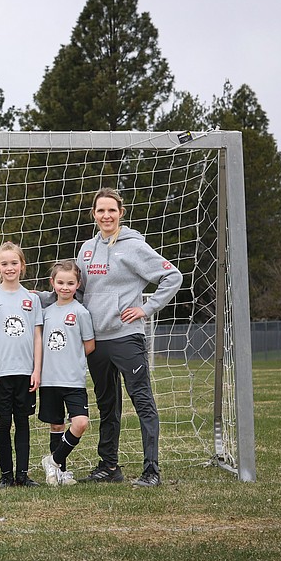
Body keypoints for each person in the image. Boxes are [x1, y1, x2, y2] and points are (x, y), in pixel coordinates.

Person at [77, 187, 183, 487]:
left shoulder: (134, 247)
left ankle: (151, 470)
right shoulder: (86, 250)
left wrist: (146, 308)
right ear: (93, 214)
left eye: (112, 210)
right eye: (101, 210)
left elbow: (172, 276)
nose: (106, 215)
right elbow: (80, 292)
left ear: (121, 212)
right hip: (96, 341)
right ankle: (109, 467)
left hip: (126, 337)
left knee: (142, 401)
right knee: (107, 405)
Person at [0, 242, 44, 488]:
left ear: (22, 266)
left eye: (14, 263)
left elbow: (37, 335)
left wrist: (36, 369)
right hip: (0, 372)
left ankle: (23, 475)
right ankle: (6, 475)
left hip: (25, 372)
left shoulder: (31, 299)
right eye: (4, 263)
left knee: (23, 423)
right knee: (4, 423)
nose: (9, 268)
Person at [38, 260, 95, 487]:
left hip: (73, 379)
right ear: (52, 283)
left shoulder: (81, 312)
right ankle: (59, 473)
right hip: (49, 379)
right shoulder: (45, 313)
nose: (64, 287)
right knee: (56, 426)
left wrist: (71, 356)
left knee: (80, 423)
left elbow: (89, 345)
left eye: (70, 283)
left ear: (77, 284)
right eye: (60, 282)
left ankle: (52, 461)